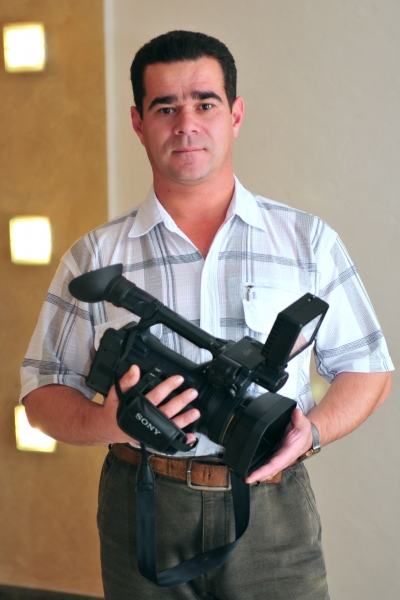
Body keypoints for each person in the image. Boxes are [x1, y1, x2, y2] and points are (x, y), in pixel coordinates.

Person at [21, 30, 393, 600]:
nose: (186, 124)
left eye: (204, 103)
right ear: (138, 122)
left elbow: (369, 368)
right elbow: (42, 391)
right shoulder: (95, 257)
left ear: (235, 114)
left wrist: (311, 433)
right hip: (141, 499)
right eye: (165, 107)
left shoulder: (307, 241)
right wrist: (110, 423)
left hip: (272, 505)